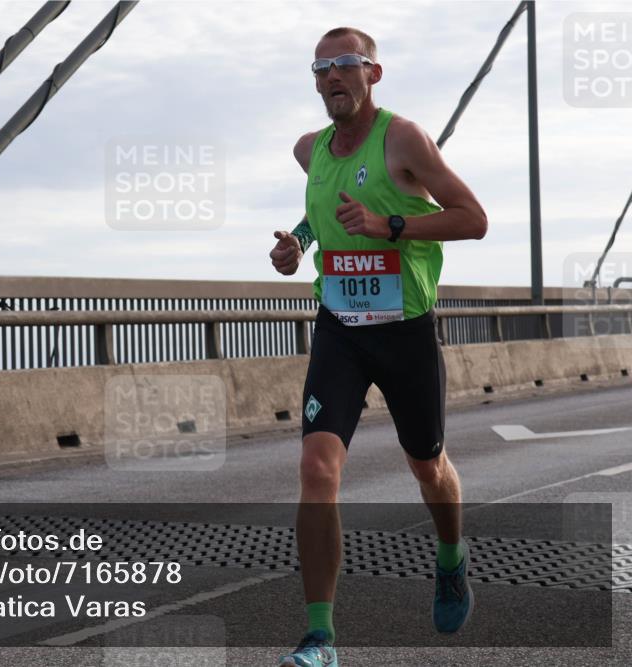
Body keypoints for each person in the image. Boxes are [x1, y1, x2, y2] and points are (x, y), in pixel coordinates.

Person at [269, 26, 488, 667]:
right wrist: (298, 243)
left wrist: (390, 225)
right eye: (321, 68)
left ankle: (450, 559)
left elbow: (473, 219)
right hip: (339, 329)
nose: (332, 75)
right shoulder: (309, 150)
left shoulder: (404, 139)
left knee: (428, 467)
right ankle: (320, 639)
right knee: (317, 469)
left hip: (404, 329)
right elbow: (323, 211)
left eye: (346, 63)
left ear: (373, 73)